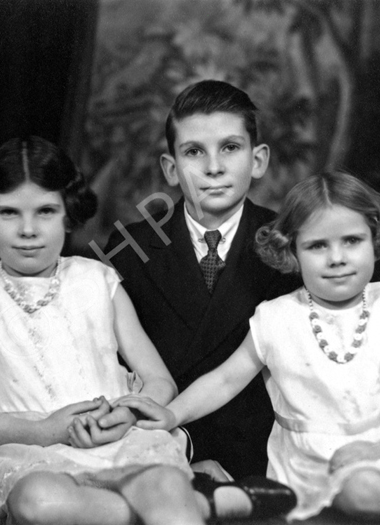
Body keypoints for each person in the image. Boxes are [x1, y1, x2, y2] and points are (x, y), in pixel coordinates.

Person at [0, 136, 296, 525]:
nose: (28, 230)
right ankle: (199, 502)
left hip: (121, 445)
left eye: (45, 211)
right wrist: (45, 430)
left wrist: (127, 415)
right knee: (38, 503)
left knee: (159, 483)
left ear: (68, 214)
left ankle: (177, 502)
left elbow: (158, 381)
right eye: (8, 213)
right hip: (33, 455)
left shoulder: (98, 279)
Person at [117, 171, 380, 522]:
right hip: (319, 457)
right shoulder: (278, 318)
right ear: (292, 252)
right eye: (317, 246)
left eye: (352, 241)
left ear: (375, 241)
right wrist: (173, 415)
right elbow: (225, 380)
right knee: (363, 491)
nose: (337, 258)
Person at [102, 80, 298, 481]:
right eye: (194, 152)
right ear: (171, 169)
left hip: (260, 461)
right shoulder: (132, 245)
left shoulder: (293, 248)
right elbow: (114, 366)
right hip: (156, 452)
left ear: (258, 160)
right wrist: (179, 454)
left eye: (230, 147)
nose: (213, 167)